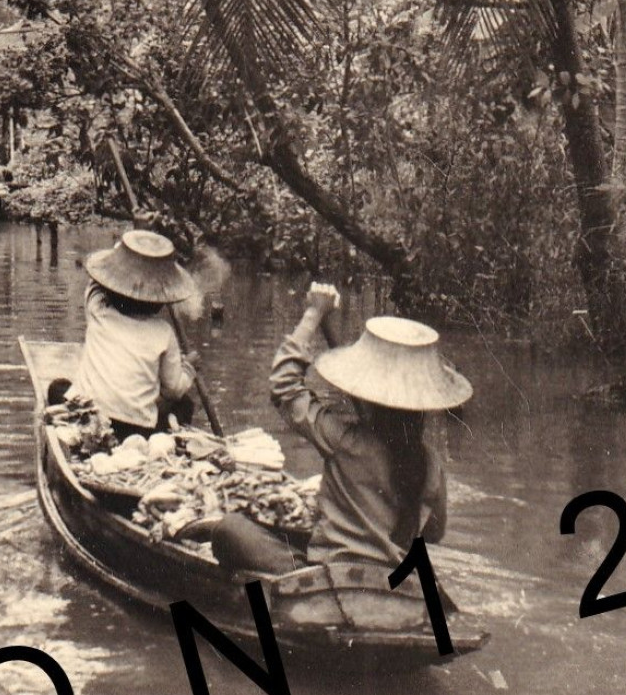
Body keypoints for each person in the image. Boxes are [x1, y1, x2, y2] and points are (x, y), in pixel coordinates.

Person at [210, 282, 474, 574]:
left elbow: (284, 387)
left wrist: (314, 313)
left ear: (371, 398)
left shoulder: (345, 441)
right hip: (393, 578)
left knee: (229, 528)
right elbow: (434, 534)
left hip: (333, 574)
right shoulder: (430, 463)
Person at [70, 229, 199, 440]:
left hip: (90, 417)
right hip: (137, 430)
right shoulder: (163, 332)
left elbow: (99, 278)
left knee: (59, 389)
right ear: (160, 299)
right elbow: (174, 389)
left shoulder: (99, 311)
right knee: (183, 403)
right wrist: (189, 368)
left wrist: (132, 236)